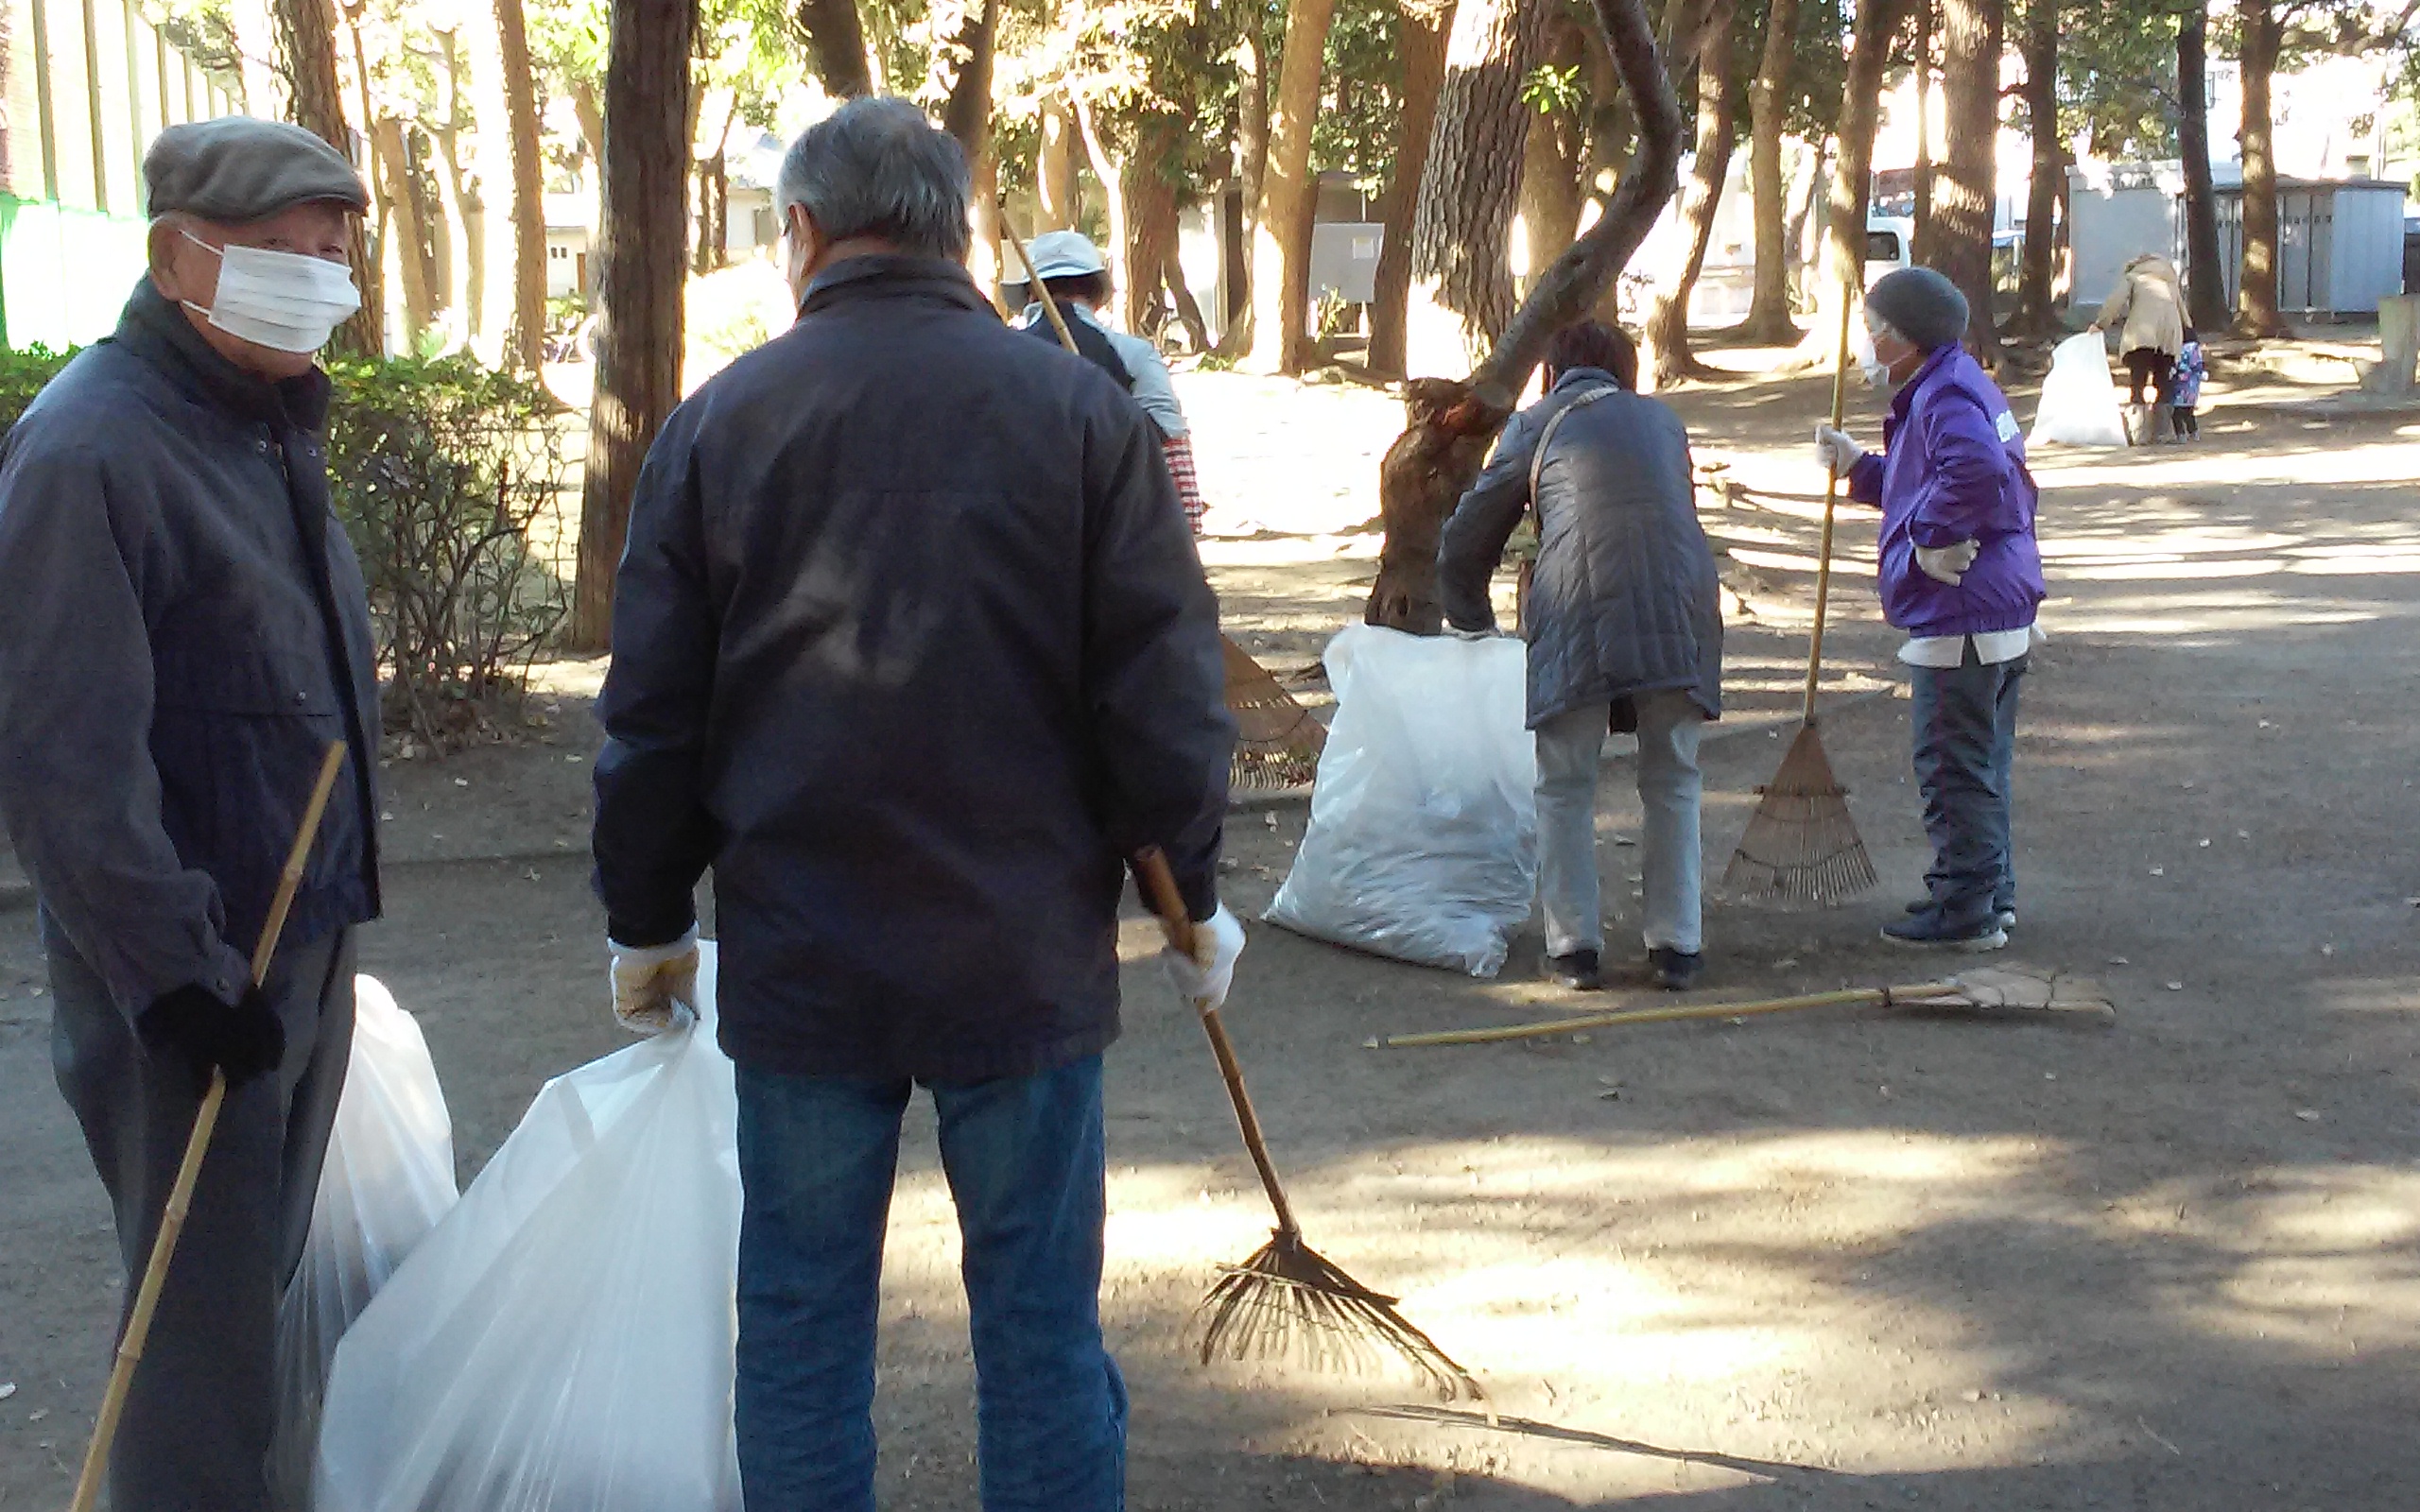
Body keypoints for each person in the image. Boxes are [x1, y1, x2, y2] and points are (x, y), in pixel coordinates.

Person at [590, 98, 1239, 1512]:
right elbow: (1162, 691)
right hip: (1021, 956)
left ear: (806, 235)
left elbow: (654, 716)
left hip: (805, 959)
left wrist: (645, 920)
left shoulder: (719, 426)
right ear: (958, 233)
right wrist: (1188, 877)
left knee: (805, 1326)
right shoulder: (1082, 414)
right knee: (1040, 1327)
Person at [0, 117, 381, 1509]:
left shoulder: (265, 422)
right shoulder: (91, 447)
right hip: (190, 975)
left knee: (245, 1308)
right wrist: (178, 982)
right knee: (195, 1335)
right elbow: (62, 760)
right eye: (284, 256)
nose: (319, 283)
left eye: (335, 256)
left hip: (298, 942)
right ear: (177, 258)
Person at [1435, 320, 1722, 993]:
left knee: (1565, 781)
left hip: (1578, 604)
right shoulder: (1663, 422)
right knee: (1674, 773)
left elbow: (1467, 536)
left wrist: (1474, 624)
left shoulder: (1536, 425)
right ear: (1626, 370)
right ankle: (1678, 946)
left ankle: (1573, 950)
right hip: (1682, 603)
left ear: (1552, 371)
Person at [1814, 266, 2045, 952]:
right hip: (1995, 603)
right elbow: (1925, 479)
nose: (1866, 339)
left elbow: (1975, 472)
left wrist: (1925, 540)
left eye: (1873, 328)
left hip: (1962, 609)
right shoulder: (1953, 382)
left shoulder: (1942, 396)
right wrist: (1860, 467)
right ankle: (1986, 892)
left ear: (1901, 337)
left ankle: (1966, 906)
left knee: (1952, 764)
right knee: (1982, 760)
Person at [1013, 229, 1209, 533]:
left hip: (1021, 531)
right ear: (1097, 294)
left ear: (1031, 294)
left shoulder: (998, 357)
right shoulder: (1135, 354)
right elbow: (1169, 443)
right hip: (1117, 531)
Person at [2092, 251, 2187, 409]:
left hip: (2141, 337)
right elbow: (2182, 310)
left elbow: (2116, 301)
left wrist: (2101, 324)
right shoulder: (2170, 281)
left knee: (2138, 383)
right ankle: (2161, 429)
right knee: (2163, 383)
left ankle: (2138, 427)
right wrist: (2189, 333)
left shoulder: (2134, 276)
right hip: (2169, 336)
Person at [2169, 325, 2205, 439]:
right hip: (2193, 386)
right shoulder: (2196, 350)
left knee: (2176, 412)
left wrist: (2174, 371)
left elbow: (2181, 365)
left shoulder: (2182, 349)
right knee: (2189, 411)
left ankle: (2181, 434)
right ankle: (2194, 432)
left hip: (2181, 385)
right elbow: (2198, 366)